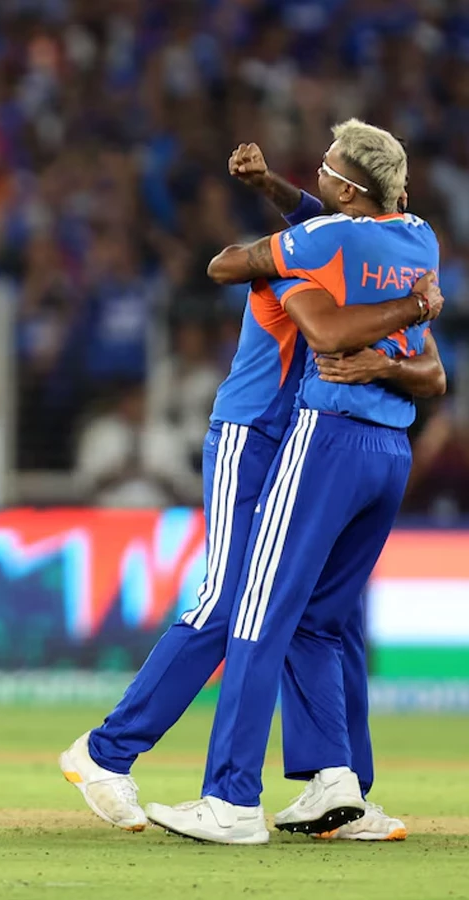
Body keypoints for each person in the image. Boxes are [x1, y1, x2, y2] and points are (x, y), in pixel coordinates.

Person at [61, 127, 442, 843]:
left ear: (349, 194)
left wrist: (274, 190)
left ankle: (338, 784)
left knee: (325, 619)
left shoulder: (345, 246)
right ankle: (106, 752)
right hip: (256, 432)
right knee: (235, 600)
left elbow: (322, 240)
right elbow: (317, 284)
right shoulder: (351, 253)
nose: (316, 184)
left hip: (311, 436)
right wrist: (412, 312)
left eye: (326, 174)